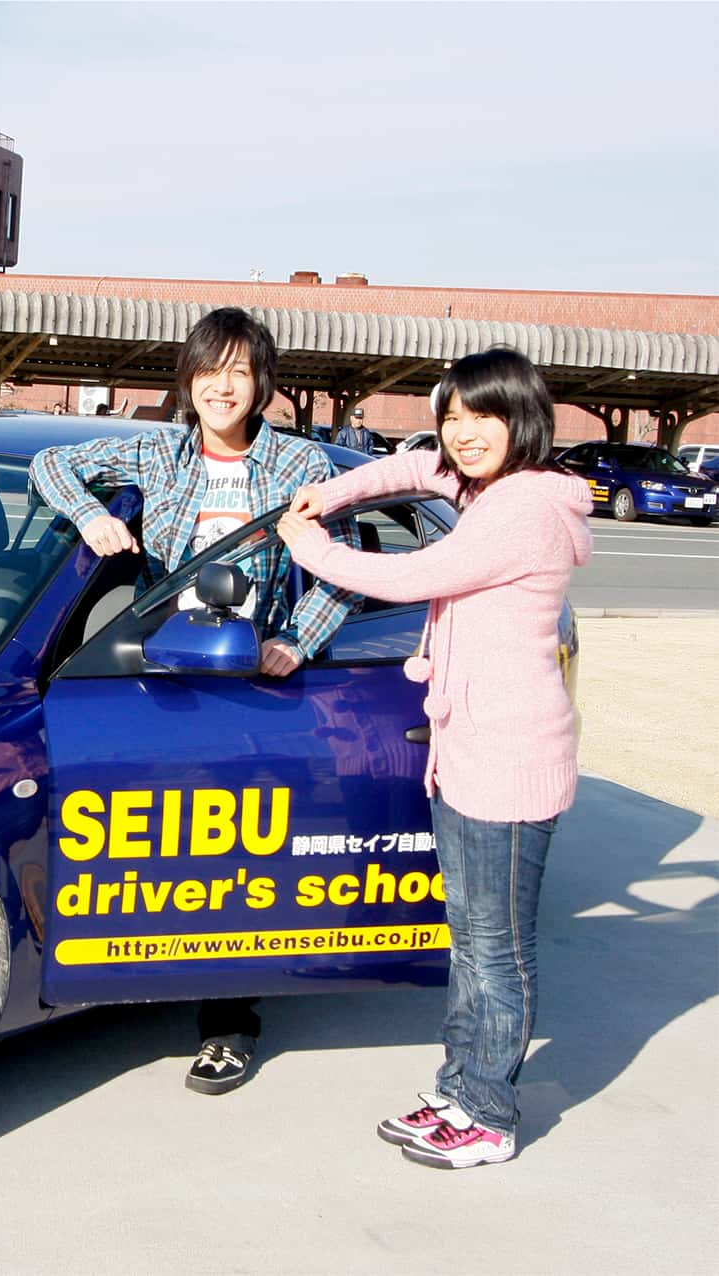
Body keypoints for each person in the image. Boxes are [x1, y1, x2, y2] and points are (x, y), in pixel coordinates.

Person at [31, 306, 359, 1097]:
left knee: (240, 856)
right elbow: (48, 463)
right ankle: (140, 972)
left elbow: (342, 567)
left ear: (262, 385)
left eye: (240, 372)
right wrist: (92, 518)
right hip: (160, 678)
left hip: (251, 683)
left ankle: (229, 1022)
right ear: (188, 379)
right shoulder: (156, 450)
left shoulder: (296, 466)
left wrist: (298, 640)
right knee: (164, 847)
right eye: (210, 370)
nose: (223, 387)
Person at [276, 347, 592, 1168]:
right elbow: (413, 468)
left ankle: (486, 1113)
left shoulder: (520, 507)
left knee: (496, 948)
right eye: (451, 415)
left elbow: (413, 576)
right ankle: (459, 1086)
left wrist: (302, 541)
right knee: (470, 939)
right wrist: (335, 489)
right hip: (469, 752)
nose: (461, 433)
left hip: (508, 760)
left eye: (480, 415)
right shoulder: (486, 488)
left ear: (520, 417)